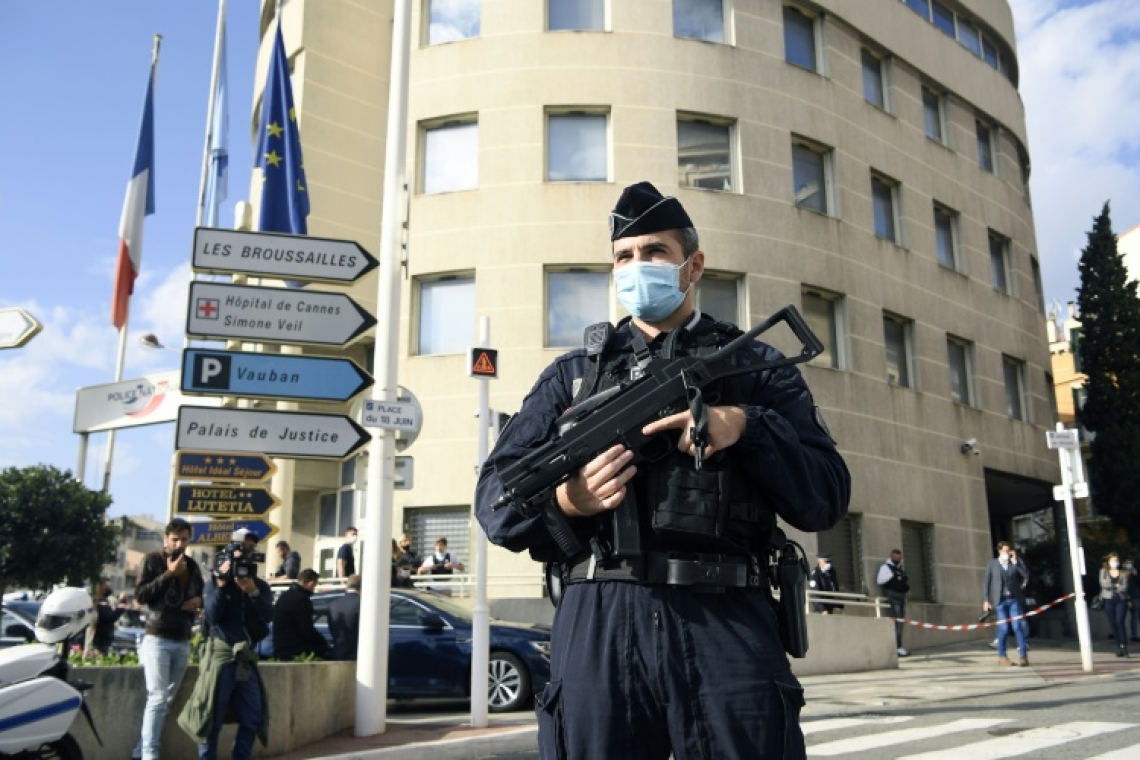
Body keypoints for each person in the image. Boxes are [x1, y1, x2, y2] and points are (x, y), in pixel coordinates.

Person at [475, 181, 850, 759]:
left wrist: (743, 425)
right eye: (624, 256)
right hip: (600, 617)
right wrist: (568, 502)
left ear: (692, 265)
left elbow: (825, 496)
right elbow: (496, 503)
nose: (637, 266)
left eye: (654, 252)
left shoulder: (754, 366)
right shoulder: (574, 377)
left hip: (724, 616)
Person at [178, 547, 273, 760]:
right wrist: (221, 585)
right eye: (234, 562)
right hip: (221, 658)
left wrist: (253, 592)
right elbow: (211, 617)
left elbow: (268, 616)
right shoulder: (215, 584)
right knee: (211, 717)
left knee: (253, 717)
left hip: (245, 659)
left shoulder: (258, 585)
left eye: (243, 561)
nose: (239, 568)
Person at [132, 518, 205, 760]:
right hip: (157, 636)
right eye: (175, 539)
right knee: (158, 696)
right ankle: (149, 754)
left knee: (166, 700)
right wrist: (168, 574)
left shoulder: (193, 566)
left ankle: (139, 750)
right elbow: (141, 595)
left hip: (182, 638)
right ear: (166, 539)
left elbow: (202, 595)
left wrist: (199, 602)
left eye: (184, 539)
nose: (179, 544)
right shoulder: (152, 560)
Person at [983, 541, 1030, 666]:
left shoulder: (1014, 563)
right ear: (999, 551)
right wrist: (986, 600)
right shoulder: (992, 564)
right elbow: (986, 583)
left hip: (1014, 599)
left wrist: (1016, 562)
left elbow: (1026, 575)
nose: (1006, 554)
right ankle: (1002, 657)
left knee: (1017, 627)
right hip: (1000, 601)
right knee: (1003, 628)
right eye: (1004, 551)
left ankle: (1023, 656)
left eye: (1008, 551)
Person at [272, 568, 331, 661]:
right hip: (294, 650)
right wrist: (324, 644)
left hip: (280, 649)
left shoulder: (285, 596)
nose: (314, 589)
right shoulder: (302, 600)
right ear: (311, 583)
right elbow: (307, 630)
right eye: (314, 586)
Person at [877, 549, 910, 657]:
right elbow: (879, 581)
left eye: (899, 558)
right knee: (897, 622)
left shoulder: (899, 568)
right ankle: (897, 647)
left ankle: (899, 646)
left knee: (900, 623)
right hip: (893, 598)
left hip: (901, 597)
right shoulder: (885, 567)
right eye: (895, 557)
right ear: (891, 556)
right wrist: (891, 575)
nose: (897, 559)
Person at [1099, 552, 1131, 658]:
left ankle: (1124, 646)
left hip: (1121, 599)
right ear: (1108, 561)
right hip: (1108, 599)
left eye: (1116, 560)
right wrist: (1115, 585)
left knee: (1119, 621)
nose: (1114, 562)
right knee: (1113, 623)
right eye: (1112, 560)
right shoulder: (1103, 571)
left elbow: (1124, 587)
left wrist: (1116, 587)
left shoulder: (1122, 573)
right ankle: (1118, 646)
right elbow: (1103, 584)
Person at [328, 574, 362, 661]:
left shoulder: (333, 604)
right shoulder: (363, 603)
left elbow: (332, 627)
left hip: (339, 651)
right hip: (358, 653)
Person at [91, 578, 124, 655]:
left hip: (99, 638)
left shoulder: (98, 600)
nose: (108, 587)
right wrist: (122, 602)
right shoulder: (101, 601)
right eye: (106, 586)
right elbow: (111, 616)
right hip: (101, 639)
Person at [1125, 557, 1140, 643]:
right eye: (1128, 563)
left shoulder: (1134, 574)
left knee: (1136, 616)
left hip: (1136, 596)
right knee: (1134, 616)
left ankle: (1135, 634)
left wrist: (1135, 574)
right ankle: (1134, 635)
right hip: (1130, 598)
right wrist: (1128, 599)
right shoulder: (1124, 574)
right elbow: (1127, 587)